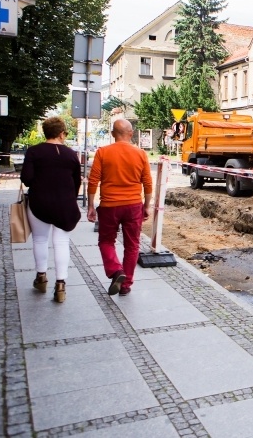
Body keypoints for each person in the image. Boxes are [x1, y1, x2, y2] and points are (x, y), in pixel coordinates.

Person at [86, 119, 153, 297]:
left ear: (113, 134)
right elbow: (147, 183)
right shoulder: (140, 154)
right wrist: (146, 206)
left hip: (109, 206)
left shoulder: (103, 152)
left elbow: (93, 181)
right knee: (132, 246)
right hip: (133, 206)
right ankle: (126, 285)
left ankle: (116, 271)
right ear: (131, 134)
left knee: (106, 242)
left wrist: (91, 205)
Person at [20, 117, 82, 303]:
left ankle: (41, 278)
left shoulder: (34, 152)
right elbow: (76, 182)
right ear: (62, 133)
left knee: (39, 239)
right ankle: (61, 285)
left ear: (45, 132)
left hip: (39, 202)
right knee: (61, 242)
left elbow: (27, 178)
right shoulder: (71, 154)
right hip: (65, 204)